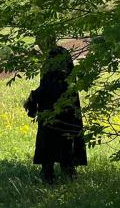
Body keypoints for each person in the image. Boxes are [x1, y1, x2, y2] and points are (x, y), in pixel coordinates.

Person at [24, 43, 87, 183]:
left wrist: (33, 98)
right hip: (67, 113)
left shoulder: (56, 63)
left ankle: (51, 173)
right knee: (66, 139)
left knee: (51, 141)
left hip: (52, 114)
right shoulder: (64, 65)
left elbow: (48, 87)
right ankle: (66, 171)